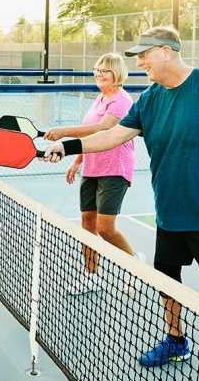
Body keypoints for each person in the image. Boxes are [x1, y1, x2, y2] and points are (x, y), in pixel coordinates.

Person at [42, 26, 199, 381]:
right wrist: (68, 147)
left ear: (167, 51)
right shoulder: (151, 98)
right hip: (168, 213)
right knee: (166, 281)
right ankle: (176, 341)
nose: (139, 61)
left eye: (145, 54)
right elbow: (112, 135)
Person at [44, 52, 144, 295]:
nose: (99, 74)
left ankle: (135, 264)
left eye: (105, 71)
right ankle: (91, 275)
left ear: (117, 74)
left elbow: (103, 129)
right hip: (92, 167)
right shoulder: (99, 98)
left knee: (105, 228)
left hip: (114, 169)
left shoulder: (121, 100)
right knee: (87, 224)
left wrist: (63, 132)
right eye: (97, 70)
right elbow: (90, 138)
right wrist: (77, 161)